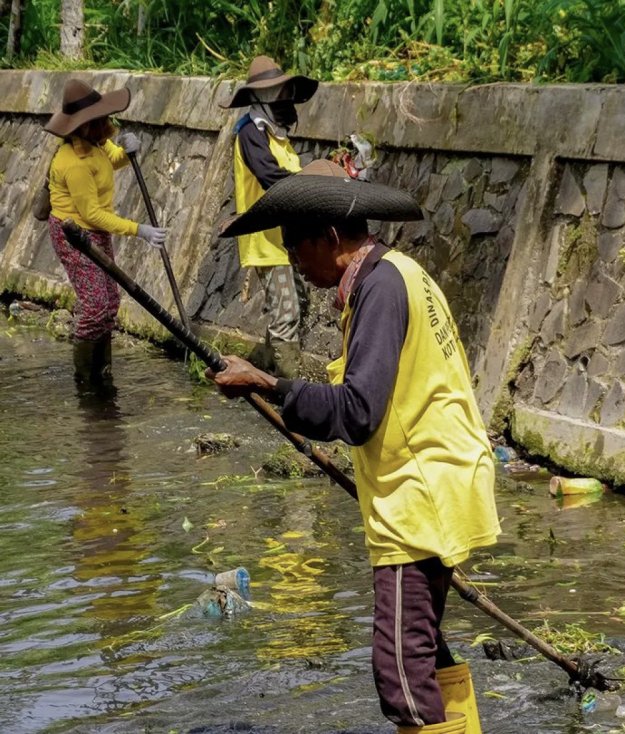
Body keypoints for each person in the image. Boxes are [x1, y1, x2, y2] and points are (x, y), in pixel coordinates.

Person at [208, 160, 500, 734]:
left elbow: (359, 412)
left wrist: (269, 383)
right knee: (420, 645)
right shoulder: (393, 274)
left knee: (398, 670)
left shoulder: (382, 289)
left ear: (333, 237)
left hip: (421, 500)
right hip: (439, 482)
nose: (292, 256)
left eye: (296, 243)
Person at [44, 78, 167, 386]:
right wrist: (139, 230)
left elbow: (112, 159)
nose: (108, 124)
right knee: (95, 305)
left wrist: (128, 151)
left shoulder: (96, 143)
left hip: (93, 232)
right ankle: (85, 380)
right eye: (102, 120)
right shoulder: (73, 163)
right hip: (73, 234)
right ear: (85, 126)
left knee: (110, 301)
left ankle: (103, 374)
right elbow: (92, 214)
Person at [219, 55, 318, 379]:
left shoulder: (276, 133)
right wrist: (311, 184)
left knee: (296, 305)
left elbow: (289, 172)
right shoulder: (250, 132)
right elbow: (269, 175)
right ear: (260, 97)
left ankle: (256, 367)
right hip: (265, 238)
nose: (285, 99)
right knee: (286, 311)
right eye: (277, 93)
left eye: (284, 92)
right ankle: (294, 388)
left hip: (285, 236)